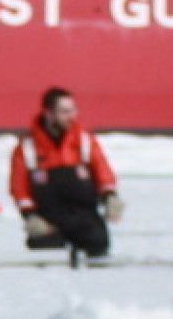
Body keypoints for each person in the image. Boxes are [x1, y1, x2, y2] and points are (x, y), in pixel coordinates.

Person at [8, 87, 120, 261]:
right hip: (48, 224)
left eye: (73, 110)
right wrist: (30, 217)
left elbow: (103, 172)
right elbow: (19, 189)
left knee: (99, 250)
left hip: (85, 220)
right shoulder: (27, 148)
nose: (72, 116)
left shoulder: (84, 141)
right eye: (65, 112)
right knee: (47, 259)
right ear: (49, 114)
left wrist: (110, 197)